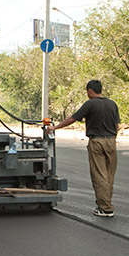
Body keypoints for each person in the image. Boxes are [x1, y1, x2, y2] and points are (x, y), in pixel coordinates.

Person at [47, 80, 120, 218]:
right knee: (109, 175)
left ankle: (105, 208)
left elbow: (72, 119)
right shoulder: (112, 104)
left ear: (90, 91)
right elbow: (117, 125)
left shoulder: (90, 103)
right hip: (111, 141)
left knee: (99, 175)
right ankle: (105, 203)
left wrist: (55, 127)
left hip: (97, 141)